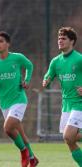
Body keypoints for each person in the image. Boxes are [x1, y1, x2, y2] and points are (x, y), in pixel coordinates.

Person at [0, 31, 38, 167]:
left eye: (1, 41)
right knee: (20, 133)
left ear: (8, 44)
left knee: (7, 128)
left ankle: (23, 152)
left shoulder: (17, 58)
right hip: (4, 103)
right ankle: (32, 158)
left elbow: (29, 65)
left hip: (19, 99)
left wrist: (27, 80)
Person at [43, 27, 82, 166]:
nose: (60, 41)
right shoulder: (55, 61)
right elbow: (48, 76)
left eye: (63, 38)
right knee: (69, 140)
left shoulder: (79, 59)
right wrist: (46, 80)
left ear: (72, 41)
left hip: (79, 103)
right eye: (59, 38)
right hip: (66, 105)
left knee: (68, 135)